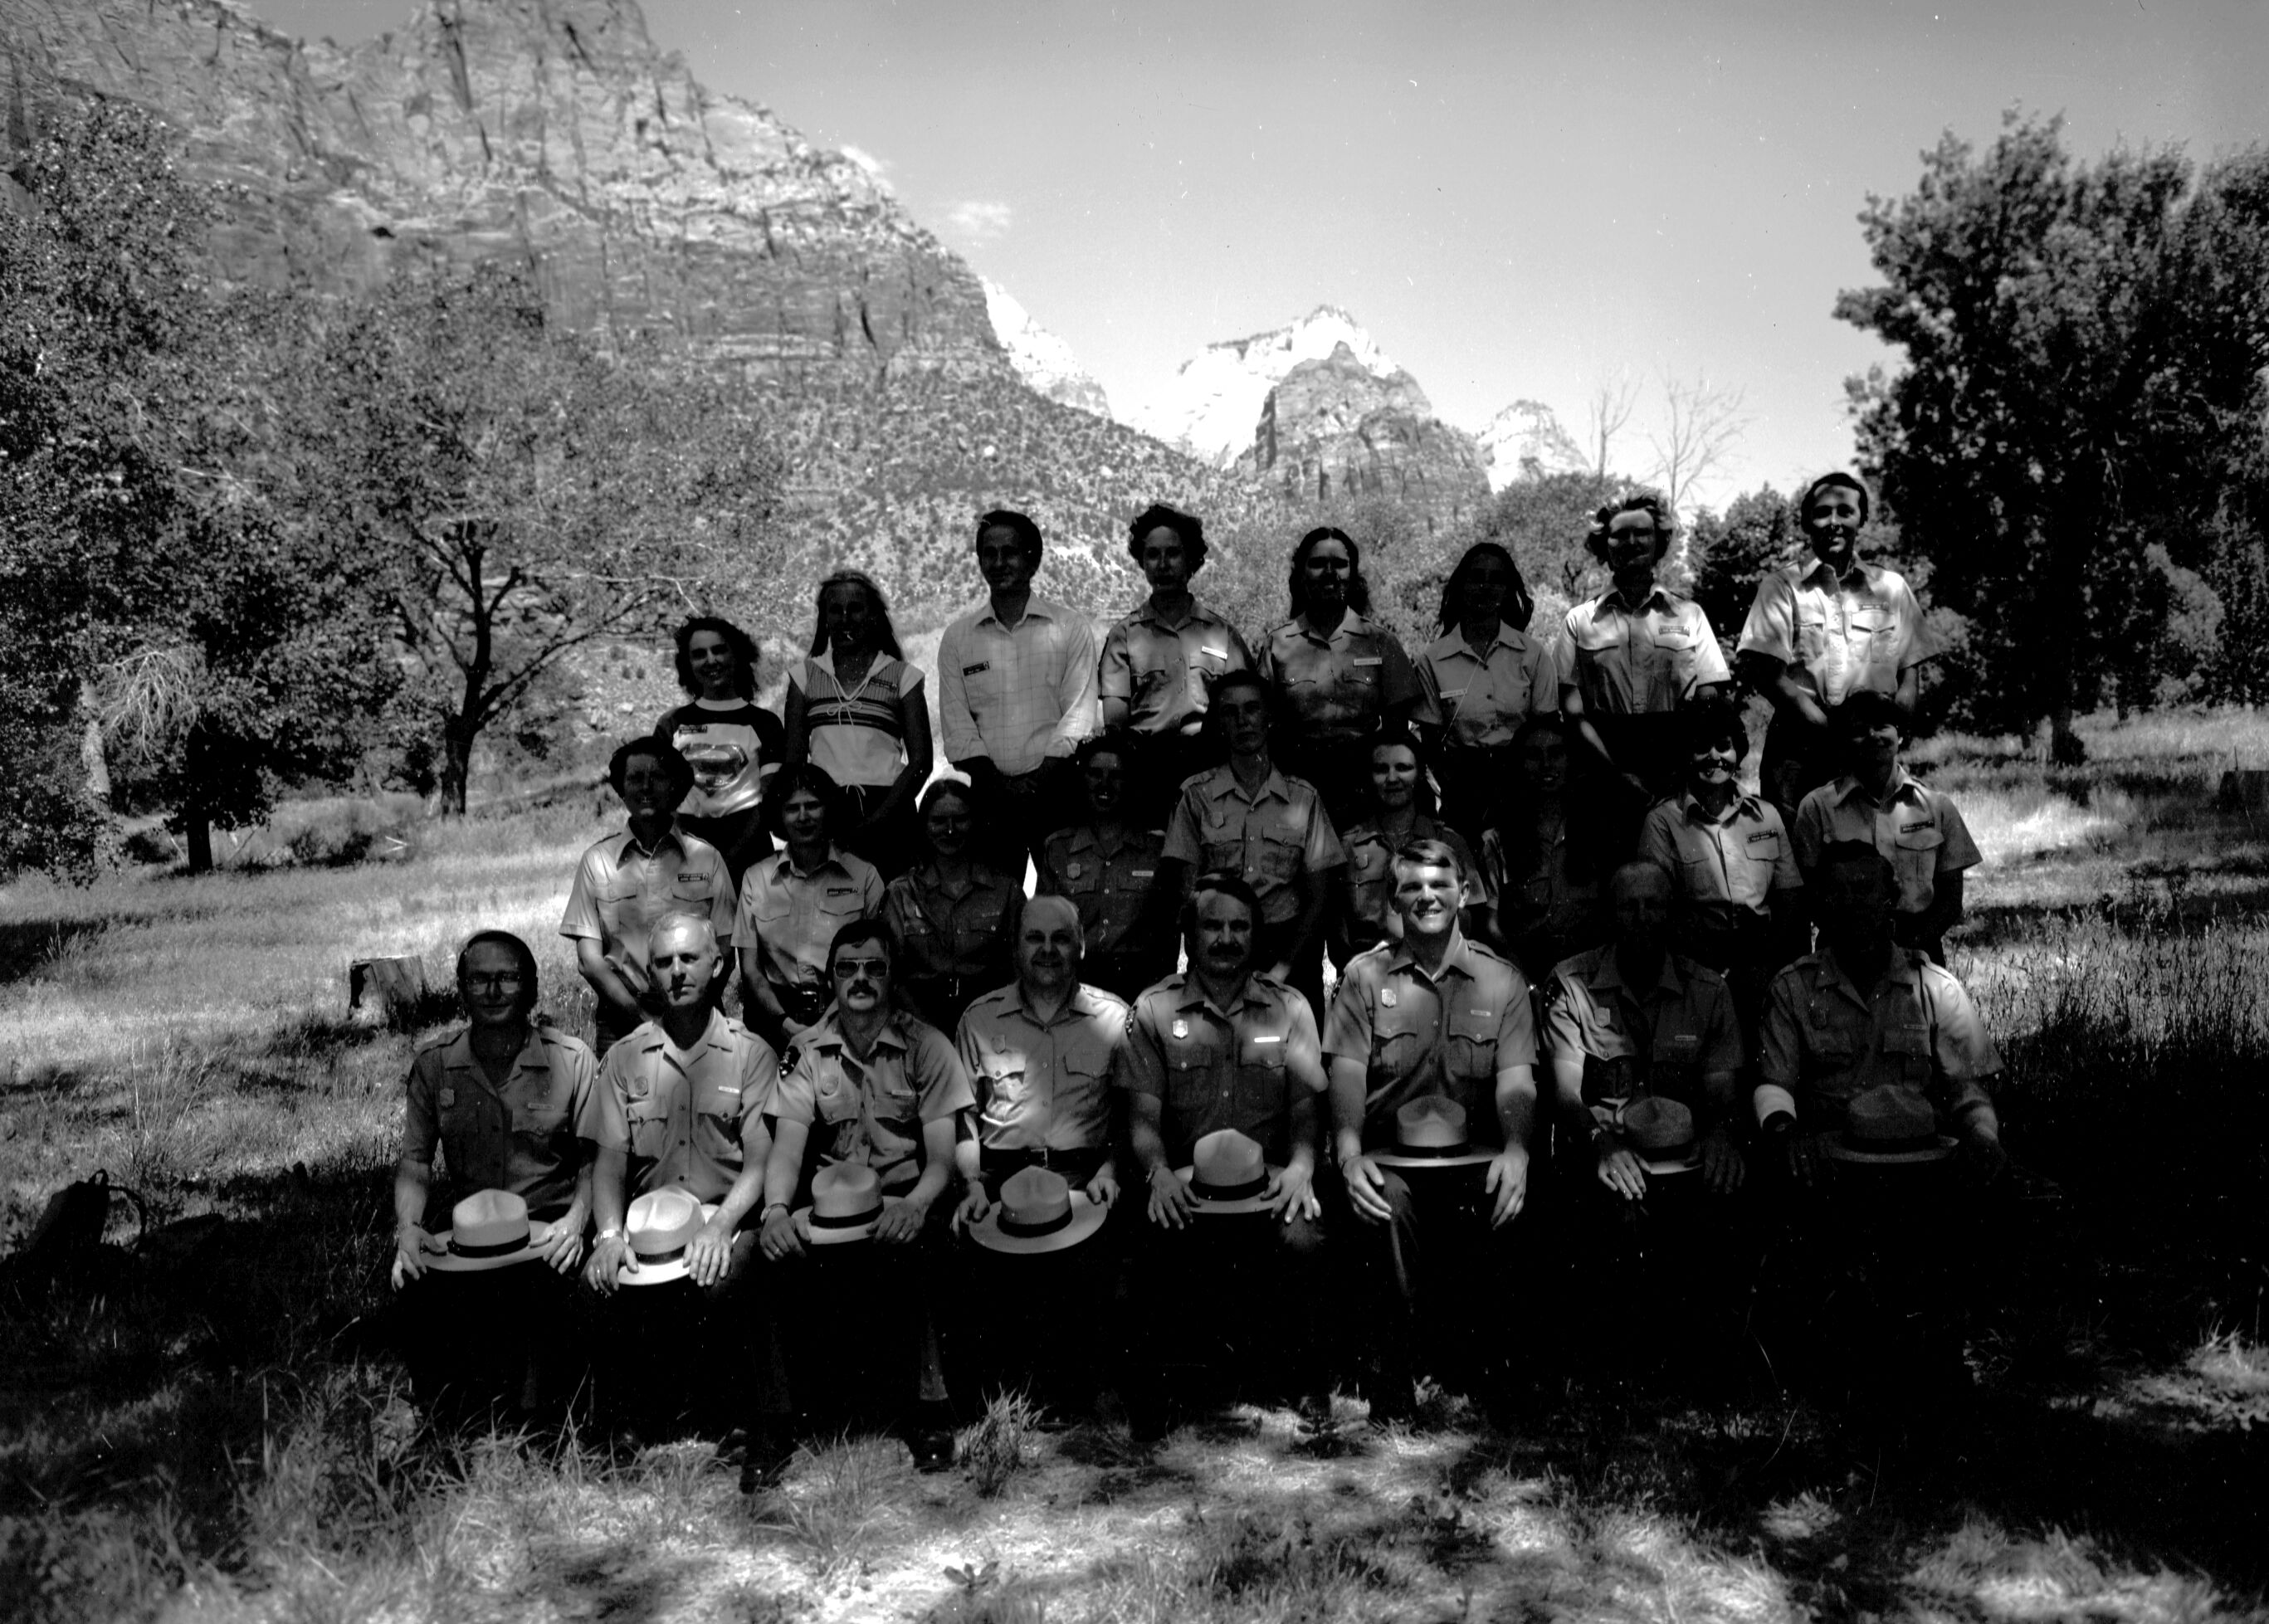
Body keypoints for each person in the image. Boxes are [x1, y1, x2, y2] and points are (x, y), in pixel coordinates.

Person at [1752, 841, 2005, 1399]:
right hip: (1832, 1166)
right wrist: (1786, 1132)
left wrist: (1983, 1135)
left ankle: (1941, 1350)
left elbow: (1968, 1087)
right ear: (1820, 908)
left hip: (1920, 1167)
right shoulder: (1793, 989)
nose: (1853, 904)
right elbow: (1773, 1085)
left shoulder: (1933, 987)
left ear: (1891, 898)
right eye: (1838, 893)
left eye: (1865, 889)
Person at [1325, 840, 1539, 1419]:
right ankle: (1392, 1387)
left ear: (1464, 894)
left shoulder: (1502, 980)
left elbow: (1516, 1082)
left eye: (1440, 885)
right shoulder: (1363, 978)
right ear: (1393, 900)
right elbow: (1346, 1077)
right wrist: (1349, 1155)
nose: (1427, 897)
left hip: (1474, 1159)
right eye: (1412, 887)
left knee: (1514, 1197)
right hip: (1388, 1159)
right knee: (1383, 1204)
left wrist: (1517, 1149)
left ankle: (1495, 1381)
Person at [1115, 873, 1333, 1439]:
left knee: (1304, 1237)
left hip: (1270, 1181)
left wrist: (1303, 1167)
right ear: (1189, 934)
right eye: (1213, 926)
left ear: (1257, 935)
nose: (1227, 939)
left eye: (1240, 927)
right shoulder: (1154, 1010)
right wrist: (1158, 1174)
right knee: (1151, 1239)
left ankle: (1306, 1382)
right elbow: (1143, 1118)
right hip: (1187, 1184)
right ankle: (1158, 1393)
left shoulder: (1290, 1007)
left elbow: (1306, 1108)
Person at [758, 919, 973, 1469]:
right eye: (847, 968)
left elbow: (943, 1157)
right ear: (831, 978)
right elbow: (787, 1149)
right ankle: (777, 1424)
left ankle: (931, 1414)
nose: (860, 979)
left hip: (905, 1198)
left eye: (874, 968)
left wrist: (916, 1204)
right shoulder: (807, 1051)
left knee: (927, 1251)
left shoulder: (927, 1046)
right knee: (771, 1255)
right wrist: (776, 1210)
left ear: (892, 976)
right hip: (830, 1211)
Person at [1541, 861, 1749, 1383]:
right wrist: (1600, 1145)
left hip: (1686, 1158)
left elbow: (1721, 1094)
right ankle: (1621, 1365)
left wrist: (1721, 1135)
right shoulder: (1571, 984)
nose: (1642, 917)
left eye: (1654, 905)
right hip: (1606, 1152)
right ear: (1610, 915)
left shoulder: (1709, 991)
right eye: (1628, 906)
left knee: (1728, 1200)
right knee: (1616, 1215)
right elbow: (1565, 1093)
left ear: (1672, 913)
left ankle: (1705, 1360)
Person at [391, 931, 603, 1422]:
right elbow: (415, 1163)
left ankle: (541, 1422)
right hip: (471, 1238)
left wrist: (577, 1221)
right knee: (412, 1279)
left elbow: (596, 1160)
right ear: (461, 990)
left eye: (507, 978)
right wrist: (408, 1229)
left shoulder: (570, 1061)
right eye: (479, 979)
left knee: (551, 1298)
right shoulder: (435, 1066)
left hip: (549, 1231)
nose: (492, 991)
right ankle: (443, 1420)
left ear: (531, 988)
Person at [582, 915, 779, 1441]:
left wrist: (721, 1227)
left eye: (689, 959)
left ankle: (744, 1422)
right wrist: (609, 1236)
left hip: (730, 1217)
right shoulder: (624, 1058)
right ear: (650, 973)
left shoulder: (751, 1054)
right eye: (664, 962)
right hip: (651, 1227)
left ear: (716, 965)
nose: (677, 972)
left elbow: (761, 1161)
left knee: (729, 1276)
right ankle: (621, 1426)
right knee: (597, 1281)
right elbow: (608, 1164)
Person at [951, 894, 1131, 1412]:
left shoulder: (1114, 1019)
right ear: (1015, 947)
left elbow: (1129, 1114)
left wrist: (1111, 1169)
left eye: (1060, 939)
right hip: (1000, 1179)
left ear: (1081, 947)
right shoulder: (979, 1019)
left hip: (1084, 1178)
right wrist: (972, 1186)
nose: (1047, 950)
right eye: (1035, 938)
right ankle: (991, 1398)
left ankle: (1086, 1392)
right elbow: (964, 1121)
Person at [1735, 472, 1935, 819]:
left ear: (1862, 518)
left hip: (1872, 742)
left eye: (1845, 511)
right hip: (1800, 745)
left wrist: (1894, 728)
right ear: (1806, 522)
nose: (1834, 522)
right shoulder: (1781, 587)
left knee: (1878, 839)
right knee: (1798, 843)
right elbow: (1767, 674)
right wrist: (1827, 729)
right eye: (1822, 512)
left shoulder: (1892, 588)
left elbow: (1910, 673)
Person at [1156, 671, 1345, 1015]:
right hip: (1219, 947)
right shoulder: (1196, 796)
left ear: (1269, 717)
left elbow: (1319, 898)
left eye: (1252, 709)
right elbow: (1187, 895)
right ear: (1219, 724)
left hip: (1287, 950)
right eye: (1230, 712)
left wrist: (1283, 970)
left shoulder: (1303, 798)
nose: (1242, 721)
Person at [1554, 494, 1730, 853]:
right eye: (1620, 535)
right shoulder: (1579, 621)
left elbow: (1709, 698)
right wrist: (1615, 775)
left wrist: (1680, 770)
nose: (1631, 542)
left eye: (1642, 533)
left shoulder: (1690, 615)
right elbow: (1572, 712)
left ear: (1659, 542)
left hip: (1676, 766)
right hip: (1603, 767)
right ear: (1604, 546)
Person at [937, 510, 1100, 877]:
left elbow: (1078, 717)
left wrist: (1037, 783)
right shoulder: (958, 639)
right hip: (990, 801)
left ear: (1033, 560)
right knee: (993, 902)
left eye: (1009, 552)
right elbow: (958, 729)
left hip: (1058, 795)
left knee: (1064, 899)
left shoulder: (1069, 628)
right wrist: (1002, 789)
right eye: (989, 554)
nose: (998, 563)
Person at [561, 738, 739, 1056]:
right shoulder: (597, 862)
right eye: (634, 778)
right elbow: (589, 961)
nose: (645, 787)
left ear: (675, 786)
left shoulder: (706, 859)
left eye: (656, 777)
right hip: (621, 1021)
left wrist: (689, 1014)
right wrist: (641, 1018)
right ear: (621, 789)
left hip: (698, 1017)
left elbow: (725, 949)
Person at [1636, 701, 1806, 1023]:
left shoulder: (1766, 815)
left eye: (1724, 746)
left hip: (1762, 961)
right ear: (1686, 754)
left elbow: (1790, 899)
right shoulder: (1662, 822)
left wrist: (1765, 964)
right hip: (1695, 968)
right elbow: (1659, 909)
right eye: (1702, 746)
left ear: (1738, 753)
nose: (1714, 756)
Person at [1255, 525, 1425, 827]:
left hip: (1364, 796)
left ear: (1353, 574)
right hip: (1296, 794)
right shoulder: (1277, 645)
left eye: (1340, 564)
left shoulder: (1381, 643)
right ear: (1301, 574)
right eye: (1318, 563)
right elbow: (1262, 728)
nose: (1330, 573)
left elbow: (1397, 734)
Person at [1790, 692, 1979, 964]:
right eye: (1859, 730)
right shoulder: (1817, 807)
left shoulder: (1936, 807)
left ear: (1899, 735)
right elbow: (1808, 893)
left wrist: (1911, 948)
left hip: (1918, 952)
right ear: (1844, 740)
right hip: (1843, 953)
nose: (1872, 736)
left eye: (1882, 726)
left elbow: (1951, 899)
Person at [1098, 503, 1254, 821]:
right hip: (1147, 773)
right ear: (1142, 562)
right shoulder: (1124, 636)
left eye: (1173, 553)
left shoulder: (1222, 634)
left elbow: (1246, 711)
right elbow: (1116, 726)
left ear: (1191, 560)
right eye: (1153, 555)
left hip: (1211, 769)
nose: (1163, 564)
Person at [783, 569, 933, 880]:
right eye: (835, 610)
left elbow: (921, 762)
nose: (845, 619)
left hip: (891, 811)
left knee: (892, 900)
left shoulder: (902, 676)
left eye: (855, 609)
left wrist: (878, 821)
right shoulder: (805, 677)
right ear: (825, 619)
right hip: (827, 814)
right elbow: (794, 763)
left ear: (873, 616)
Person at [1415, 542, 1559, 846]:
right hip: (1462, 788)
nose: (1485, 587)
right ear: (1461, 585)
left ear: (1508, 590)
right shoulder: (1433, 660)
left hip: (1523, 784)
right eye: (1476, 577)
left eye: (1496, 579)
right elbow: (1431, 743)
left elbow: (1545, 732)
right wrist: (1454, 787)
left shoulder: (1532, 655)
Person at [735, 764, 886, 1051]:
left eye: (813, 806)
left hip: (849, 1015)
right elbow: (751, 970)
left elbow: (880, 962)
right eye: (792, 808)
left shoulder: (864, 876)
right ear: (779, 816)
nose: (803, 817)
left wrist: (831, 1023)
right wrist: (785, 1025)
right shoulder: (756, 879)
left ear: (828, 809)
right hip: (775, 1021)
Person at [1037, 732, 1174, 1002]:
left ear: (1130, 782)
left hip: (1139, 986)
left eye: (1116, 776)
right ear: (1081, 780)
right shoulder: (1059, 849)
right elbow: (1043, 926)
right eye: (1095, 774)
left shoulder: (1155, 849)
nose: (1105, 784)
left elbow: (1167, 933)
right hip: (1074, 985)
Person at [654, 616, 787, 892]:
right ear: (687, 664)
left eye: (719, 650)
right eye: (699, 654)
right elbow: (661, 800)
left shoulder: (765, 724)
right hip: (686, 859)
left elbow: (770, 798)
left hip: (750, 857)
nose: (711, 660)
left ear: (737, 655)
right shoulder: (671, 725)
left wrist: (732, 857)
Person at [884, 779, 1024, 1036]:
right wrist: (928, 1035)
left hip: (992, 1022)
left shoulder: (1006, 891)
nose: (950, 830)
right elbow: (893, 977)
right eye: (938, 821)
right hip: (918, 1023)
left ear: (975, 822)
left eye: (960, 819)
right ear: (924, 826)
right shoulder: (901, 893)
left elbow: (1019, 969)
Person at [1473, 714, 1606, 984]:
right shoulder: (1497, 841)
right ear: (1519, 764)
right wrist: (1525, 985)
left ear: (1571, 760)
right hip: (1526, 974)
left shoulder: (1597, 831)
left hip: (1592, 977)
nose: (1546, 764)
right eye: (1534, 755)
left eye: (1556, 754)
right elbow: (1492, 925)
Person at [1334, 729, 1481, 968]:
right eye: (1381, 769)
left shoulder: (1449, 842)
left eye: (1403, 768)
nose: (1392, 778)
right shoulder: (1348, 846)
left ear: (1420, 775)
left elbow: (1469, 922)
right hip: (1368, 973)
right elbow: (1338, 933)